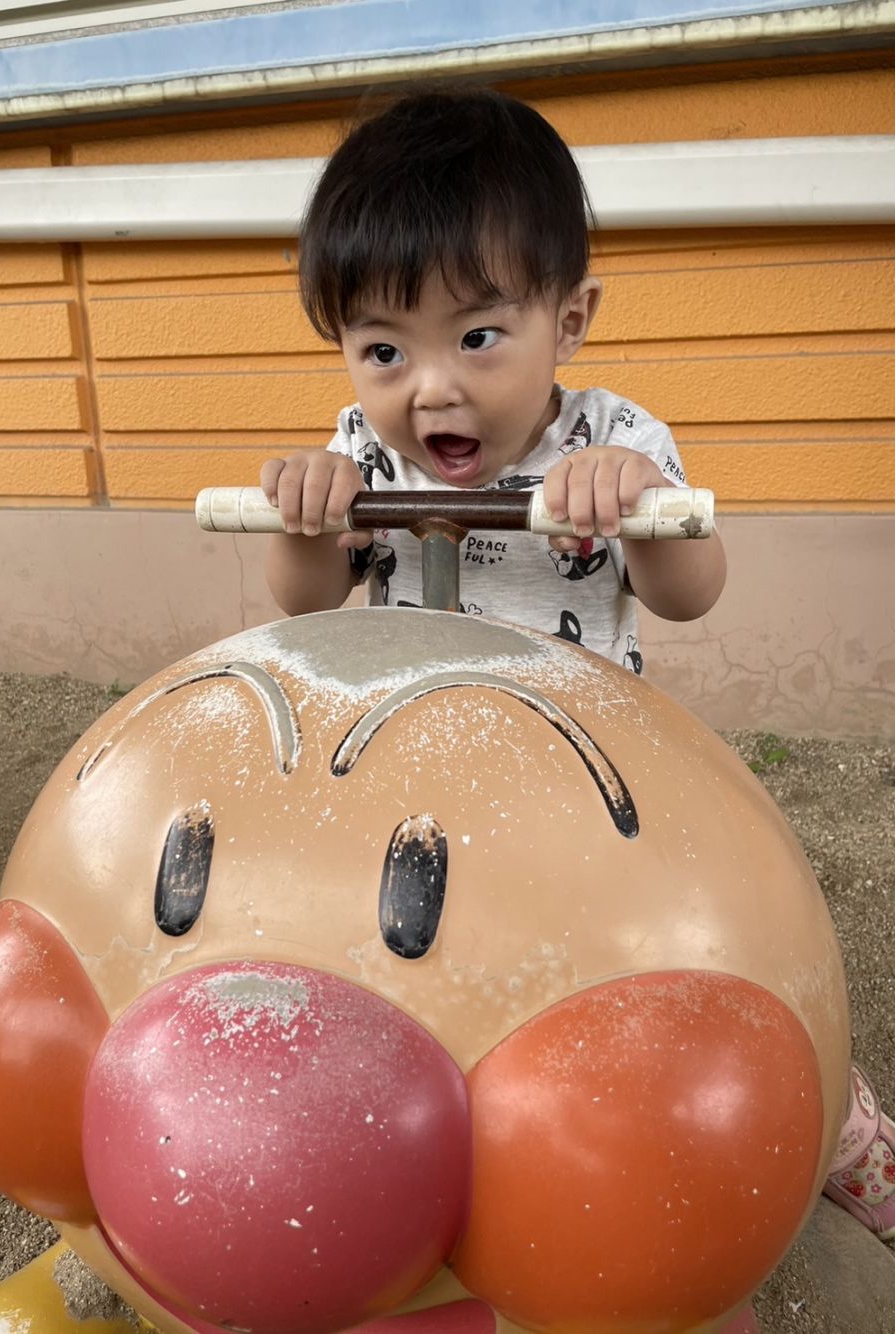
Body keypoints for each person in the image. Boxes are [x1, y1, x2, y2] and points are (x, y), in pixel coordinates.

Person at [259, 87, 895, 1237]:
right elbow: (304, 603)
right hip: (415, 770)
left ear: (572, 315)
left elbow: (690, 598)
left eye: (479, 335)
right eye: (383, 348)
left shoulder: (614, 441)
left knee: (644, 955)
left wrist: (650, 512)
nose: (432, 386)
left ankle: (839, 1125)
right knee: (422, 957)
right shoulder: (360, 452)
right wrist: (308, 522)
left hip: (587, 780)